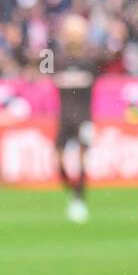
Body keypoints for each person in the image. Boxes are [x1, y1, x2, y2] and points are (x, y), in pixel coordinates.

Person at [51, 14, 100, 223]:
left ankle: (79, 200)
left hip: (84, 119)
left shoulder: (90, 62)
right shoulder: (58, 61)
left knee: (81, 160)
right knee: (58, 161)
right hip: (64, 119)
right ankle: (72, 192)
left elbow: (113, 57)